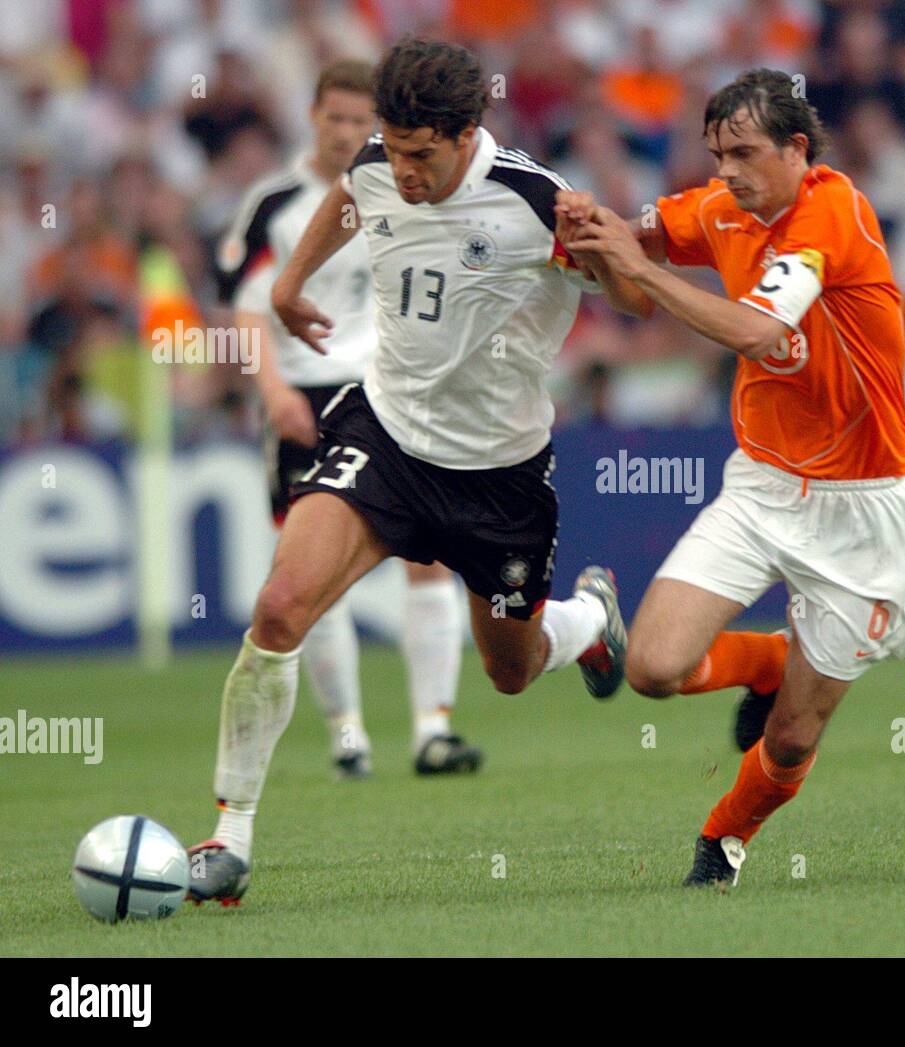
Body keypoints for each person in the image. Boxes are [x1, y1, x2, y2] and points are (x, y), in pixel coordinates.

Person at [188, 40, 632, 905]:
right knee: (281, 607)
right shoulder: (378, 161)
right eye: (391, 148)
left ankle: (586, 621)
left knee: (509, 669)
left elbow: (639, 300)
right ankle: (229, 835)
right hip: (385, 433)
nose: (402, 169)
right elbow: (352, 193)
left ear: (468, 135)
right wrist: (289, 285)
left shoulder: (536, 200)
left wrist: (612, 251)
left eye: (420, 155)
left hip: (499, 474)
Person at [559, 68, 905, 888]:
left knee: (791, 738)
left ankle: (722, 838)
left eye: (744, 153)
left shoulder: (834, 211)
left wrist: (640, 271)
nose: (725, 171)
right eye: (716, 153)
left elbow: (757, 331)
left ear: (797, 149)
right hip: (760, 483)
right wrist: (589, 232)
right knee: (650, 670)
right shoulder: (719, 207)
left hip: (861, 506)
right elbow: (629, 269)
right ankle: (766, 658)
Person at [217, 58, 480, 782]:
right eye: (334, 117)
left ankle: (434, 728)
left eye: (360, 120)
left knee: (428, 556)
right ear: (311, 116)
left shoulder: (408, 186)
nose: (346, 132)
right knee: (312, 573)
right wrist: (272, 391)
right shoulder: (274, 203)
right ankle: (348, 734)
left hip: (392, 391)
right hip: (306, 396)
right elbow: (246, 306)